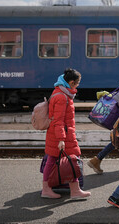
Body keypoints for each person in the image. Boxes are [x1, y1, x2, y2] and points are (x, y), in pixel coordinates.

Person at [41, 68, 91, 199]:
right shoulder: (63, 97)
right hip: (62, 135)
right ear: (72, 82)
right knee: (70, 160)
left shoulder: (60, 92)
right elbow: (58, 121)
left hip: (61, 134)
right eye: (78, 83)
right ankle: (70, 190)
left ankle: (72, 190)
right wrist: (61, 139)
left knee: (61, 160)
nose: (78, 86)